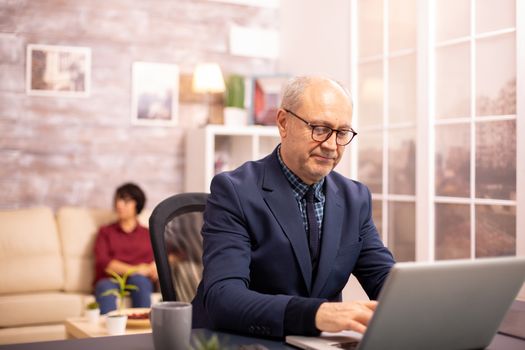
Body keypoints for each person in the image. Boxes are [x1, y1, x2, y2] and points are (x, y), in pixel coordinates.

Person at [191, 76, 396, 338]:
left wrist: (426, 306)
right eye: (320, 128)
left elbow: (386, 281)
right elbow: (224, 299)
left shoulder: (355, 198)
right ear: (283, 122)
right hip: (239, 341)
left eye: (342, 133)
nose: (332, 146)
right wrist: (317, 314)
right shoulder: (234, 191)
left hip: (315, 345)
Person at [93, 183, 157, 314]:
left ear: (137, 204)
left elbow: (164, 257)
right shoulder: (105, 232)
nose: (119, 205)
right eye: (118, 200)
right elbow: (105, 264)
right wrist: (137, 270)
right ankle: (110, 334)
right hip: (110, 280)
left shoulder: (148, 234)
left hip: (140, 280)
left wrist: (155, 268)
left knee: (141, 282)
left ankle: (142, 330)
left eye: (126, 201)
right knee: (105, 287)